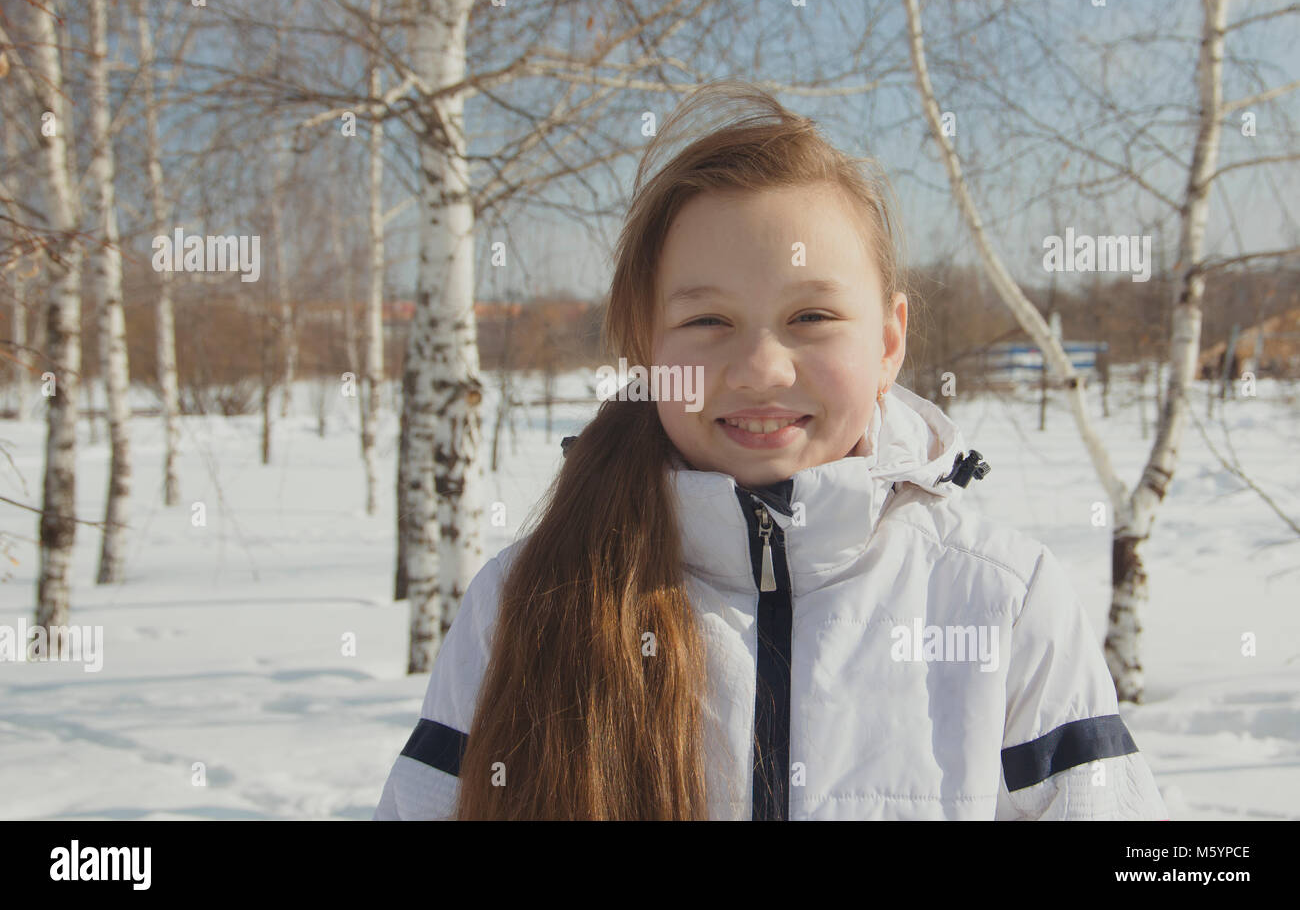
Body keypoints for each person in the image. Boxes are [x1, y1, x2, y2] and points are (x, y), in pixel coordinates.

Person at [374, 80, 1168, 820]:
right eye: (707, 322)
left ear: (890, 340)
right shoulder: (523, 602)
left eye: (812, 317)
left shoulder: (999, 601)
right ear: (647, 348)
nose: (759, 370)